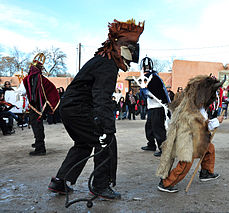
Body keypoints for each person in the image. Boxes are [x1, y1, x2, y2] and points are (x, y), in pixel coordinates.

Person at [48, 19, 144, 199]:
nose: (126, 62)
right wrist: (107, 128)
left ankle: (60, 181)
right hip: (78, 109)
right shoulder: (107, 64)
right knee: (105, 142)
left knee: (84, 143)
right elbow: (102, 98)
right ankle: (100, 186)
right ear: (119, 47)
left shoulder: (101, 60)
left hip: (70, 109)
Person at [156, 75, 223, 193]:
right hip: (187, 138)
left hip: (195, 136)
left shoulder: (197, 103)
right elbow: (200, 126)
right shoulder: (190, 107)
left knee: (209, 148)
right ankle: (166, 183)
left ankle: (206, 172)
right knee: (186, 162)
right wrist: (217, 121)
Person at [22, 53, 60, 156]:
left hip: (36, 107)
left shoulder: (28, 79)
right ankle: (38, 143)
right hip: (38, 107)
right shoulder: (42, 79)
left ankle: (40, 148)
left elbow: (25, 93)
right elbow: (52, 89)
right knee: (37, 126)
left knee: (37, 126)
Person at [140, 57, 170, 157]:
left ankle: (163, 149)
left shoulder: (154, 77)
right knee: (149, 127)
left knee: (158, 128)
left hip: (158, 107)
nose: (146, 68)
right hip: (151, 107)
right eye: (145, 66)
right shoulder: (148, 78)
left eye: (147, 66)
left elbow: (159, 92)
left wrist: (146, 91)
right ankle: (151, 145)